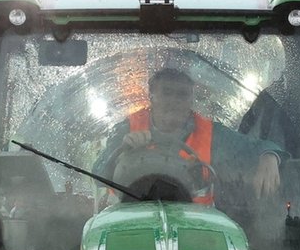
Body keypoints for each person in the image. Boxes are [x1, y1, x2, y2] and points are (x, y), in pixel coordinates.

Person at [104, 65, 282, 206]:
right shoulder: (127, 128)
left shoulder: (212, 133)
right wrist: (124, 151)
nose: (174, 101)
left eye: (182, 94)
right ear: (152, 94)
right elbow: (98, 172)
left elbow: (252, 148)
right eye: (167, 92)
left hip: (195, 231)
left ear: (191, 99)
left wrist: (269, 156)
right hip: (128, 223)